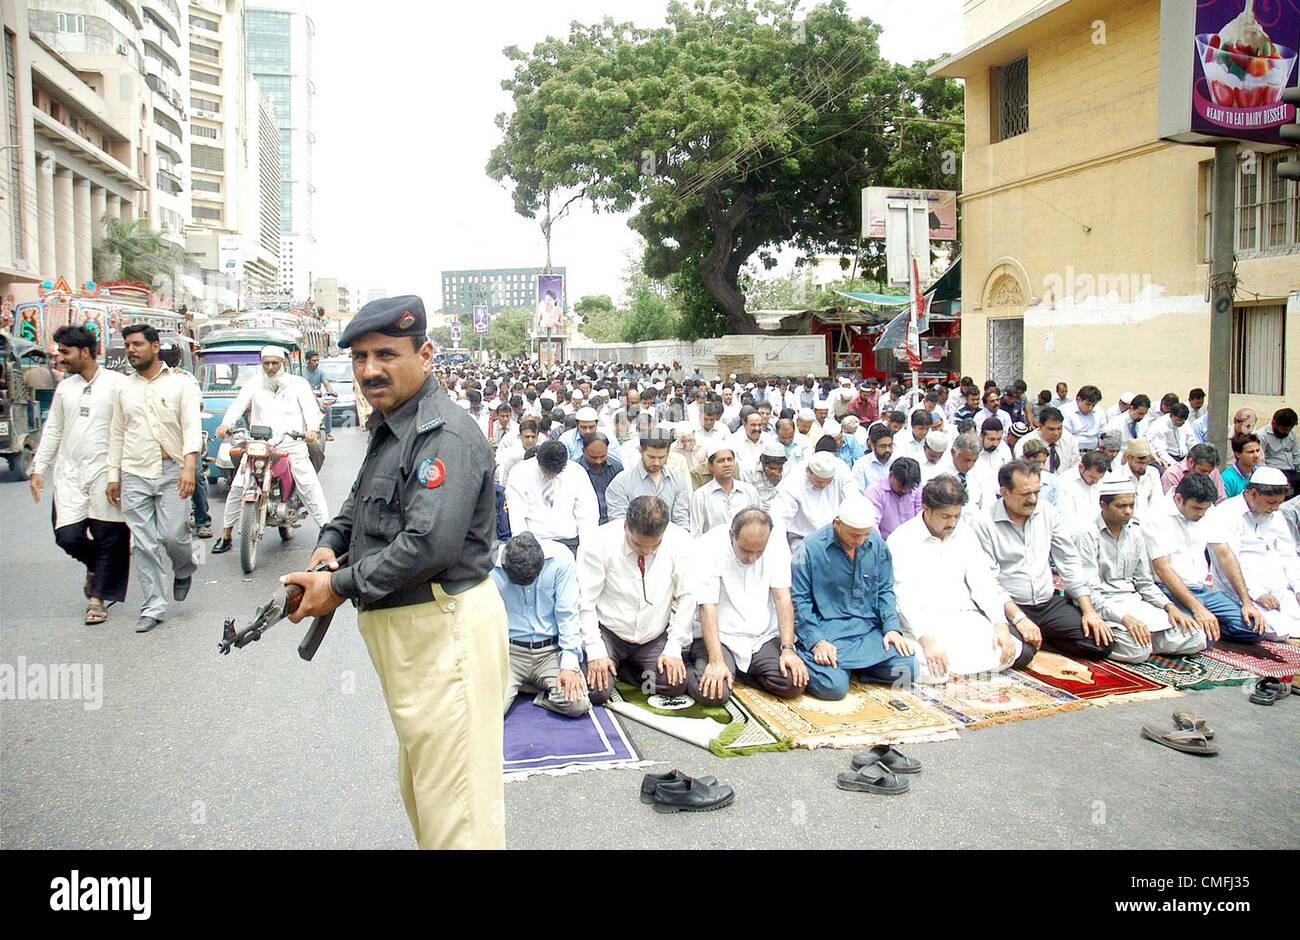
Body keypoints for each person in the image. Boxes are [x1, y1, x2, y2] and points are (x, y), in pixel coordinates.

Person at [286, 294, 508, 850]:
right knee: (426, 795)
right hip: (412, 638)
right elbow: (359, 502)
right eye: (360, 357)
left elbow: (429, 543)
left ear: (426, 354)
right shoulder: (392, 426)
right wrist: (329, 546)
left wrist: (336, 586)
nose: (370, 370)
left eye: (385, 353)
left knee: (457, 816)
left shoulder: (444, 436)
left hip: (443, 629)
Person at [31, 325, 130, 625]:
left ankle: (97, 600)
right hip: (70, 473)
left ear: (84, 352)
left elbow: (129, 428)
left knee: (108, 538)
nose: (60, 357)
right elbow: (53, 431)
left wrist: (121, 472)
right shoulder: (65, 388)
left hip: (105, 472)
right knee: (67, 535)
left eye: (65, 352)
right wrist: (39, 468)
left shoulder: (118, 385)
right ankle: (96, 567)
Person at [106, 324, 201, 633]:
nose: (131, 351)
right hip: (134, 472)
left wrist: (189, 466)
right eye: (128, 346)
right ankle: (153, 606)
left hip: (172, 468)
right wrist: (113, 475)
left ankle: (184, 566)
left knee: (173, 535)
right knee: (143, 543)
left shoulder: (181, 384)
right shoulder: (122, 389)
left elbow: (190, 425)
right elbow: (117, 433)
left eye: (137, 344)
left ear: (156, 346)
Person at [888, 475, 1029, 681]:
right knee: (930, 669)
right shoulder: (901, 539)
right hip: (924, 624)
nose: (952, 523)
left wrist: (1000, 624)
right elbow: (904, 597)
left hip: (963, 618)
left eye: (957, 515)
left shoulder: (965, 533)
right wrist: (927, 641)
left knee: (1015, 650)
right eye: (946, 516)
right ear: (926, 510)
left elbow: (983, 581)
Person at [971, 460, 1114, 659]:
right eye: (1025, 494)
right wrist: (1019, 618)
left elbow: (1068, 560)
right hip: (1010, 606)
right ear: (1004, 492)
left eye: (1036, 492)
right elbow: (988, 581)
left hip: (1047, 604)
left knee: (1100, 643)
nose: (1032, 499)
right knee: (1020, 654)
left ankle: (1040, 638)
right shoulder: (983, 522)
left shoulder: (1047, 512)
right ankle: (1030, 639)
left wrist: (1088, 611)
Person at [791, 495, 916, 700]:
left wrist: (891, 628)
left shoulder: (876, 543)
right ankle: (836, 668)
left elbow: (885, 590)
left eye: (865, 535)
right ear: (838, 523)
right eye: (854, 535)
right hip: (829, 632)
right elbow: (800, 601)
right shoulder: (808, 548)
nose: (860, 541)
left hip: (867, 631)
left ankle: (853, 668)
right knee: (833, 688)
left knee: (908, 668)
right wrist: (818, 641)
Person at [1073, 477, 1207, 663]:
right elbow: (1089, 592)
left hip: (1135, 604)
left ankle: (1146, 640)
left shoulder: (1135, 532)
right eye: (1121, 506)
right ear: (1103, 505)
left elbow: (1145, 583)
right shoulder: (1086, 535)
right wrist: (1125, 618)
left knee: (1196, 635)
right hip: (1105, 607)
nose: (1128, 511)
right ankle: (1143, 642)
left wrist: (1170, 607)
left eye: (1131, 505)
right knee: (1137, 650)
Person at [578, 496, 695, 706]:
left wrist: (674, 647)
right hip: (610, 631)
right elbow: (585, 601)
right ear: (625, 526)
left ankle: (624, 671)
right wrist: (595, 651)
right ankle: (611, 665)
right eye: (639, 544)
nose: (646, 551)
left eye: (654, 545)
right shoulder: (598, 541)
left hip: (653, 634)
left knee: (675, 684)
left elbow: (687, 597)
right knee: (596, 691)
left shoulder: (681, 541)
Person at [212, 345, 329, 554]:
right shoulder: (254, 383)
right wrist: (225, 425)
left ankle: (327, 533)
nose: (271, 367)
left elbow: (311, 411)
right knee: (238, 485)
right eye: (266, 363)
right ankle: (226, 535)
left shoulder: (298, 384)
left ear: (282, 363)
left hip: (292, 445)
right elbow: (238, 405)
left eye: (275, 363)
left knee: (309, 485)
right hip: (260, 445)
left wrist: (311, 430)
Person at [686, 509, 808, 705]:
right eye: (746, 551)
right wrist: (716, 661)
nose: (752, 558)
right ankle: (692, 665)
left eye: (759, 552)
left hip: (761, 637)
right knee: (714, 693)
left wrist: (787, 649)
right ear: (732, 535)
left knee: (794, 682)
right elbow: (707, 606)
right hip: (720, 636)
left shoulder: (776, 541)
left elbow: (782, 598)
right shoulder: (710, 544)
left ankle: (742, 673)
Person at [1141, 472, 1267, 646]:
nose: (1202, 514)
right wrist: (1197, 608)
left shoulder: (1208, 512)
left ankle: (1207, 624)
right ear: (1179, 499)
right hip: (1168, 591)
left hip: (1202, 590)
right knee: (1200, 636)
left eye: (1205, 509)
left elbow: (1225, 554)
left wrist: (1246, 602)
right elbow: (1163, 569)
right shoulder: (1156, 516)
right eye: (1197, 508)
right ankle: (1202, 625)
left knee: (1253, 628)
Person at [493, 534, 590, 718]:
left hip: (550, 651)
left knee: (577, 704)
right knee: (490, 713)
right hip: (510, 653)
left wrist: (569, 665)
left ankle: (530, 690)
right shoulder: (490, 565)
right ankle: (522, 684)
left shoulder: (560, 559)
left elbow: (568, 613)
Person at [1205, 467, 1299, 639]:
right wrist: (1256, 593)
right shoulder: (1226, 514)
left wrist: (1298, 588)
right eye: (1271, 503)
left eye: (1279, 503)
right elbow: (1226, 564)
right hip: (1241, 590)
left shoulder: (1275, 516)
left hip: (1279, 590)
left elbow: (1288, 554)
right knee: (1258, 626)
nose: (1276, 508)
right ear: (1254, 493)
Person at [505, 439, 599, 553]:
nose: (552, 475)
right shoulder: (520, 473)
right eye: (547, 471)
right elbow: (517, 516)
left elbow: (587, 514)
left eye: (556, 473)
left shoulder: (576, 472)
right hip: (534, 544)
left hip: (569, 543)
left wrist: (587, 551)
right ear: (537, 459)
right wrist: (523, 550)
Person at [605, 428, 691, 528]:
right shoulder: (621, 483)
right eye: (651, 457)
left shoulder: (677, 479)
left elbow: (682, 519)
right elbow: (619, 524)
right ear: (640, 451)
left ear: (668, 453)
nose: (656, 463)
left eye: (662, 457)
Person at [771, 451, 856, 545]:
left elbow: (853, 501)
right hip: (802, 538)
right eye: (819, 481)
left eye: (828, 482)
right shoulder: (794, 481)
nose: (823, 485)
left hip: (835, 537)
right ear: (808, 471)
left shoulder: (841, 470)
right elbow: (778, 520)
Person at [689, 440, 760, 535]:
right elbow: (696, 533)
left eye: (730, 459)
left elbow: (758, 525)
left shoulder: (750, 491)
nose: (727, 464)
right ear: (711, 466)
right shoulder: (701, 496)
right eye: (721, 461)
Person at [864, 456, 922, 540]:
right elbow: (873, 526)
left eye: (909, 487)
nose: (905, 490)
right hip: (885, 544)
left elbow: (921, 518)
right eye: (901, 485)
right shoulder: (874, 492)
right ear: (891, 475)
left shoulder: (916, 489)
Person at [1055, 450, 1111, 534]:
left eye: (1099, 478)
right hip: (1076, 535)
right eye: (1092, 477)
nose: (1095, 481)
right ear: (1081, 467)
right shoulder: (1064, 481)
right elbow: (1066, 519)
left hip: (1102, 533)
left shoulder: (1108, 478)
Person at [1013, 407, 1078, 474]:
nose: (1056, 433)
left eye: (1059, 428)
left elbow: (1075, 468)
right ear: (1040, 426)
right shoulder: (1025, 443)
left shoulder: (1070, 441)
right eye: (1051, 429)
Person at [575, 433, 620, 525]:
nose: (598, 461)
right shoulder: (574, 470)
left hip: (611, 521)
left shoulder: (616, 468)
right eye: (593, 457)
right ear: (583, 451)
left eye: (602, 456)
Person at [1159, 442, 1226, 503]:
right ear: (1191, 462)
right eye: (1203, 471)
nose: (1207, 475)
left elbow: (1221, 500)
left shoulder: (1212, 471)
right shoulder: (1172, 475)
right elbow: (1170, 505)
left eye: (1209, 472)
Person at [1257, 408, 1300, 494]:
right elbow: (1260, 461)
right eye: (1283, 429)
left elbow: (1297, 454)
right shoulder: (1262, 435)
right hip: (1275, 471)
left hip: (1292, 470)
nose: (1286, 432)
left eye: (1288, 430)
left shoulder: (1291, 434)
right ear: (1274, 423)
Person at [496, 417, 541, 488]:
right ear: (520, 436)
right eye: (527, 437)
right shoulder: (511, 455)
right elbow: (504, 479)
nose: (530, 440)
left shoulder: (542, 452)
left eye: (533, 437)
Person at [746, 440, 788, 511]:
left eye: (777, 468)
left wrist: (777, 482)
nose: (773, 471)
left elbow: (787, 498)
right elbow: (749, 498)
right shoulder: (750, 470)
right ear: (762, 461)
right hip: (757, 511)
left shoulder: (789, 469)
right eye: (770, 468)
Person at [1062, 385, 1107, 451]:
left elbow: (1103, 433)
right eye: (1088, 404)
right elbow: (1065, 437)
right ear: (1078, 399)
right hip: (1073, 451)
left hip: (1095, 452)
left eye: (1094, 405)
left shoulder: (1099, 411)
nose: (1090, 408)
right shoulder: (1065, 411)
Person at [851, 425, 895, 492]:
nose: (888, 450)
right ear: (872, 446)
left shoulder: (897, 461)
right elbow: (857, 492)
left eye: (890, 445)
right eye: (883, 446)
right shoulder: (861, 465)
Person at [304, 349, 336, 440]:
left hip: (317, 398)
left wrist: (332, 392)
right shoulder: (300, 371)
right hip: (304, 398)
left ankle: (327, 433)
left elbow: (326, 384)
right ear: (308, 361)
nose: (317, 363)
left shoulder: (321, 372)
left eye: (318, 360)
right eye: (314, 360)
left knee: (328, 408)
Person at [1220, 432, 1262, 499]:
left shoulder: (1261, 472)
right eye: (1251, 452)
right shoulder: (1227, 479)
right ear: (1238, 454)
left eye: (1257, 450)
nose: (1256, 455)